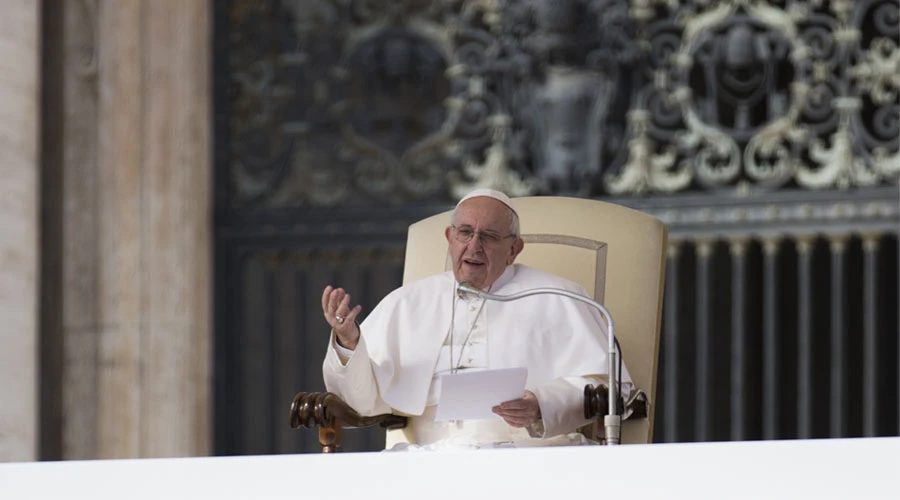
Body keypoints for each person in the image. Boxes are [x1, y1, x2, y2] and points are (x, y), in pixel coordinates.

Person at [321, 188, 631, 449]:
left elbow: (611, 390)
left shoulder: (559, 296)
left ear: (514, 249)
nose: (474, 246)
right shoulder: (407, 302)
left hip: (532, 457)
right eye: (465, 233)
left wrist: (542, 404)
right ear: (449, 237)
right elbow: (361, 400)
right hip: (431, 461)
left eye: (489, 236)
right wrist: (349, 342)